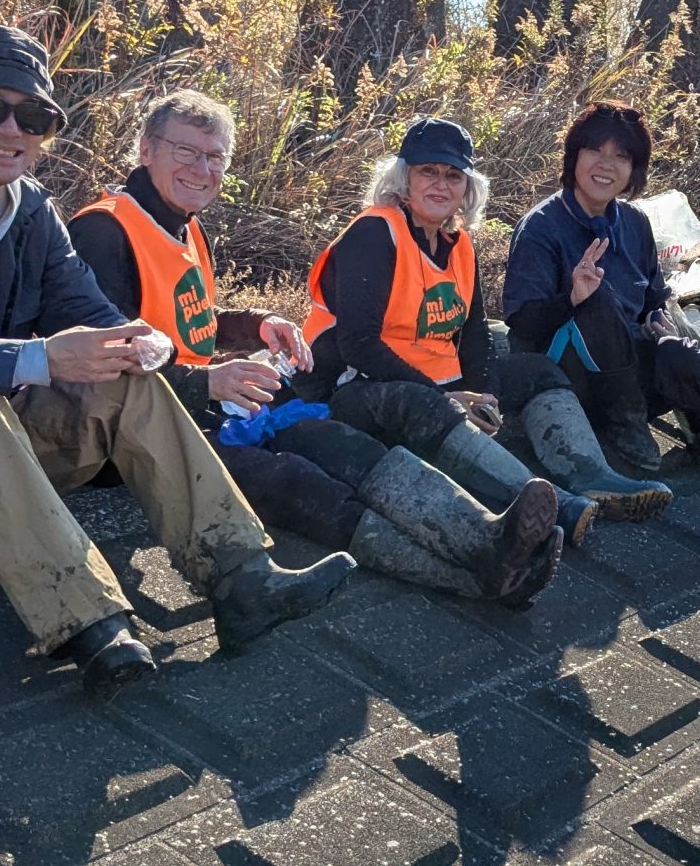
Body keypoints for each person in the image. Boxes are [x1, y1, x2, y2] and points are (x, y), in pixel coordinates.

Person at [0, 25, 351, 699]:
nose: (11, 129)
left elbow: (93, 316)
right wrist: (39, 358)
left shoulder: (31, 214)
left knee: (127, 382)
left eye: (34, 117)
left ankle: (241, 576)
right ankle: (92, 627)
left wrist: (143, 344)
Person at [69, 90, 565, 606]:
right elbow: (104, 363)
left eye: (215, 157)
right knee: (297, 481)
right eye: (186, 152)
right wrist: (207, 382)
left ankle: (485, 535)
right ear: (146, 149)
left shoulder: (183, 224)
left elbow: (182, 323)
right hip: (137, 433)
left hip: (201, 407)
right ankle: (477, 574)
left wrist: (257, 324)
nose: (202, 169)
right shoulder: (104, 231)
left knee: (339, 444)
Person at [298, 116, 673, 519]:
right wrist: (447, 398)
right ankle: (553, 505)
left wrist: (485, 393)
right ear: (403, 178)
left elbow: (474, 332)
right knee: (429, 406)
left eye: (453, 175)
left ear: (468, 187)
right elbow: (358, 345)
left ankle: (593, 477)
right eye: (428, 171)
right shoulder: (375, 233)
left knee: (539, 371)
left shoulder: (458, 243)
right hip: (351, 387)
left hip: (432, 380)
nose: (441, 184)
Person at [502, 102, 700, 485]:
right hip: (570, 380)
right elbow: (522, 324)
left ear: (634, 169)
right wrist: (573, 298)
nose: (606, 165)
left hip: (629, 368)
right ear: (574, 156)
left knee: (679, 350)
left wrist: (658, 324)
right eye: (595, 150)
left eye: (621, 156)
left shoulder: (635, 222)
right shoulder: (541, 228)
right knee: (597, 299)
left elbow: (652, 299)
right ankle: (626, 427)